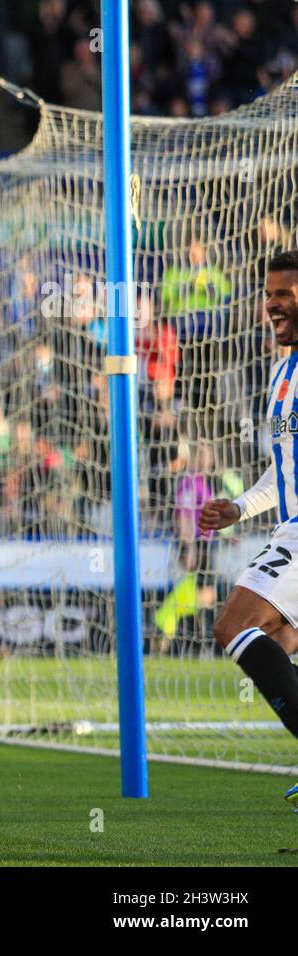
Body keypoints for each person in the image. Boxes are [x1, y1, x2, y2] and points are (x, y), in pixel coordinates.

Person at [198, 250, 298, 812]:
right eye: (268, 293)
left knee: (234, 625)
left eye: (284, 293)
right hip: (287, 525)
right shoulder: (283, 373)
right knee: (276, 647)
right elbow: (282, 466)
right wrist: (240, 507)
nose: (271, 304)